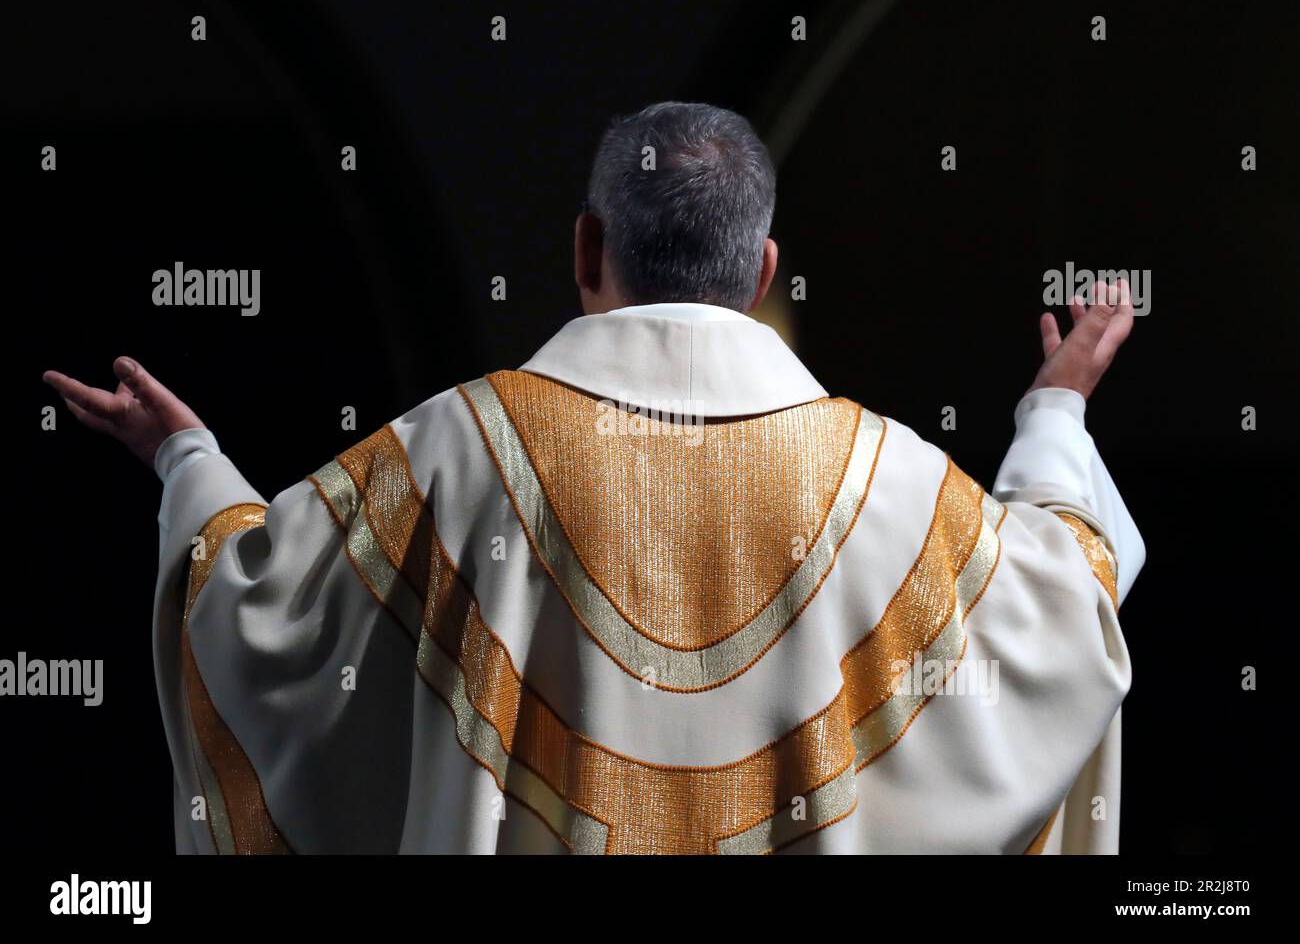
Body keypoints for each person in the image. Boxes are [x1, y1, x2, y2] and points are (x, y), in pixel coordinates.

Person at [42, 101, 1142, 854]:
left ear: (583, 249)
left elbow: (252, 613)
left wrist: (186, 461)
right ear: (761, 274)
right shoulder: (899, 484)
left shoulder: (451, 453)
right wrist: (1054, 409)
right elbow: (1067, 602)